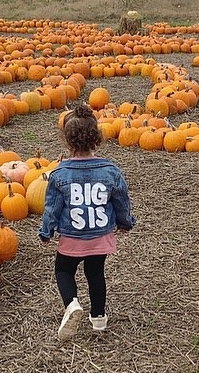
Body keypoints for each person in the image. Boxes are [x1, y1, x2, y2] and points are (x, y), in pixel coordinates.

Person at [39, 102, 136, 340]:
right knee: (95, 274)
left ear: (67, 141)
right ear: (97, 138)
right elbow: (121, 201)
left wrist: (46, 232)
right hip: (99, 237)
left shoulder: (59, 174)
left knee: (63, 270)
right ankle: (99, 318)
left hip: (72, 237)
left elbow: (52, 208)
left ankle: (72, 304)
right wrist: (126, 222)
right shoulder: (111, 171)